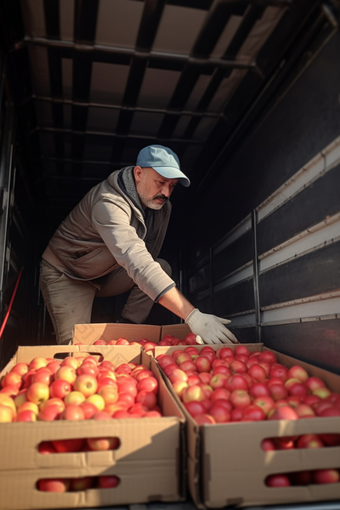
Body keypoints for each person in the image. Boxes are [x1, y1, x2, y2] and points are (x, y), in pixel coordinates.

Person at [40, 145, 238, 346]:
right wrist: (192, 316)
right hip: (68, 274)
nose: (166, 192)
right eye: (161, 182)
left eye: (172, 186)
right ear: (138, 173)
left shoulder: (161, 207)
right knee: (75, 350)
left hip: (107, 273)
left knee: (161, 267)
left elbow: (148, 258)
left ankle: (127, 326)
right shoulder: (108, 203)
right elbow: (137, 261)